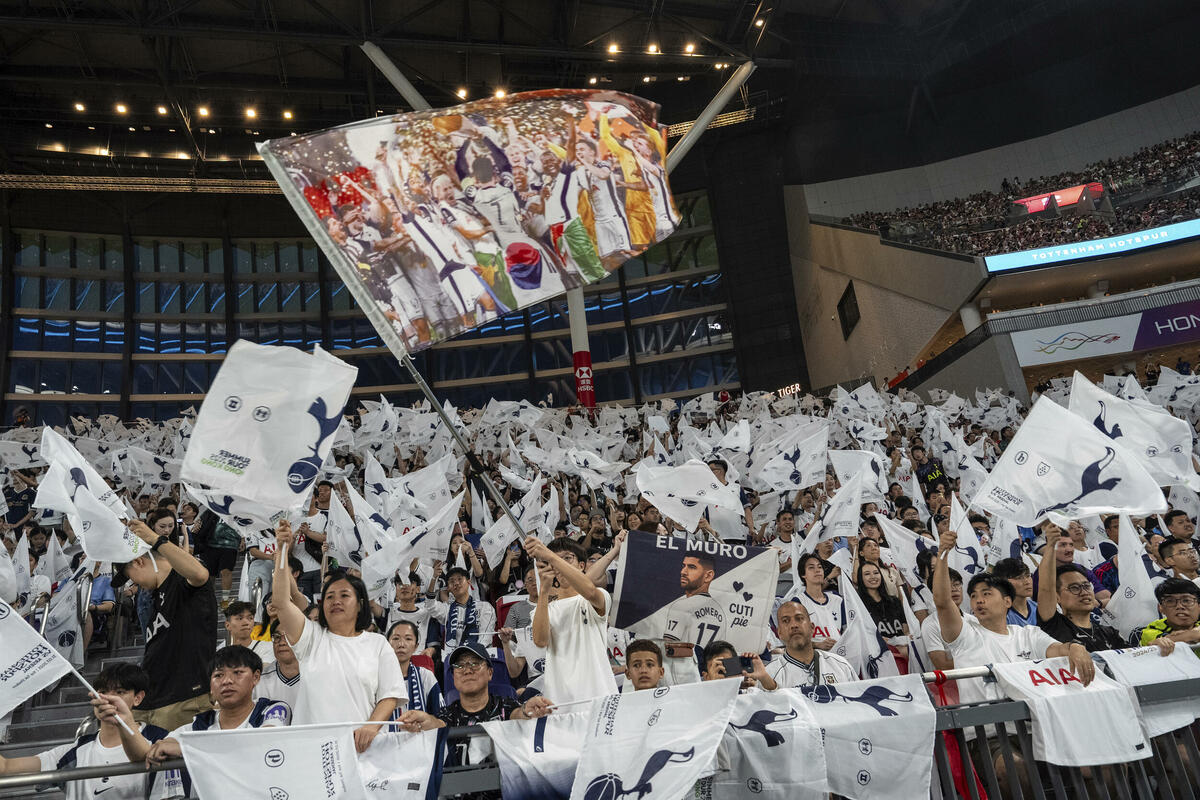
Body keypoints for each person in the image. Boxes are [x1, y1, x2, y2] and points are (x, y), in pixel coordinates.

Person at [933, 527, 1094, 790]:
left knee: (1097, 767)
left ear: (1007, 601)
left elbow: (1058, 650)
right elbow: (942, 602)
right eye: (974, 596)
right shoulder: (965, 634)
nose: (978, 601)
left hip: (1038, 726)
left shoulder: (1028, 633)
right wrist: (942, 554)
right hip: (989, 733)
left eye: (987, 594)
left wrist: (1075, 648)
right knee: (1013, 770)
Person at [272, 520, 404, 751]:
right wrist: (282, 550)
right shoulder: (311, 637)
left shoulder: (378, 644)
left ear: (360, 604)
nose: (336, 601)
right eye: (330, 596)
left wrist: (371, 727)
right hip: (312, 751)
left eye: (344, 595)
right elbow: (282, 603)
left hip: (361, 751)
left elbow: (390, 695)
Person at [395, 641, 553, 789]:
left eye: (475, 663)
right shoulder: (447, 713)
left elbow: (519, 713)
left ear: (490, 672)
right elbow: (437, 723)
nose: (467, 670)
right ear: (453, 677)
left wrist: (528, 710)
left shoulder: (505, 705)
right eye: (459, 665)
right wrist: (424, 721)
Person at [0, 664, 170, 800]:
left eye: (120, 692)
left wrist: (126, 722)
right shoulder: (74, 752)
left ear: (138, 698)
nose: (108, 699)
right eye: (102, 692)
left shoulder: (160, 740)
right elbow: (6, 767)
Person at [116, 518, 216, 731]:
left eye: (132, 578)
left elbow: (200, 574)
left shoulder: (180, 580)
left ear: (139, 562)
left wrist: (155, 539)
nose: (137, 585)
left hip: (182, 700)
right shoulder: (155, 598)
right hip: (150, 701)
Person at [525, 535, 617, 703]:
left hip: (599, 695)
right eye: (555, 561)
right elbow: (540, 641)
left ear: (582, 565)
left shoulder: (596, 597)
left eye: (567, 558)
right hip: (560, 700)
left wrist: (550, 556)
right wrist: (544, 590)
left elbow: (590, 591)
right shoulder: (543, 608)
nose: (560, 565)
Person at [1036, 526, 1144, 653]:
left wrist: (1153, 647)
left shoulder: (1109, 632)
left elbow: (1134, 657)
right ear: (1057, 596)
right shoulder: (1054, 625)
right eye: (1074, 588)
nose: (1084, 592)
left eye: (1087, 586)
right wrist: (1050, 547)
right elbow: (1045, 588)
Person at [764, 601, 856, 688]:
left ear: (812, 628)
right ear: (779, 633)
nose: (794, 625)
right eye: (786, 621)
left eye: (799, 618)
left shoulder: (841, 665)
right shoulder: (770, 674)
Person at [789, 553, 845, 650]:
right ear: (803, 574)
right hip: (813, 654)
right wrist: (817, 645)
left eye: (820, 567)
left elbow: (848, 631)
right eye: (811, 567)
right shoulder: (798, 602)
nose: (817, 570)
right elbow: (793, 638)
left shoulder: (837, 599)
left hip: (839, 653)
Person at [387, 620, 442, 715]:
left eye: (408, 639)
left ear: (416, 647)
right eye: (396, 638)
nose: (401, 644)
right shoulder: (376, 677)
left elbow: (440, 716)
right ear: (387, 644)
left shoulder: (426, 676)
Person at [443, 565, 497, 647]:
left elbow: (485, 636)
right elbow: (431, 605)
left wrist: (471, 651)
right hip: (454, 653)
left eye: (460, 579)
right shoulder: (447, 609)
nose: (456, 583)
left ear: (469, 582)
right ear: (448, 588)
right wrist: (434, 578)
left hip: (479, 652)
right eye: (452, 581)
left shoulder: (485, 607)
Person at [1139, 578, 1200, 648]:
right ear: (1160, 608)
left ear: (1199, 606)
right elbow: (1190, 637)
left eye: (1186, 600)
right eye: (1170, 601)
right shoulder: (1149, 631)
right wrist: (1192, 635)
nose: (1179, 606)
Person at [254, 625, 301, 709]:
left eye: (288, 636)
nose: (282, 643)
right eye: (277, 637)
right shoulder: (259, 680)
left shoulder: (316, 676)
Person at [223, 600, 274, 666]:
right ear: (227, 625)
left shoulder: (266, 647)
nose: (246, 623)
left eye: (250, 618)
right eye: (240, 618)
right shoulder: (222, 650)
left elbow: (265, 670)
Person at [992, 558, 1038, 626]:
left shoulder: (1039, 609)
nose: (1027, 582)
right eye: (1019, 578)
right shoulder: (999, 615)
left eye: (1028, 576)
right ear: (1003, 582)